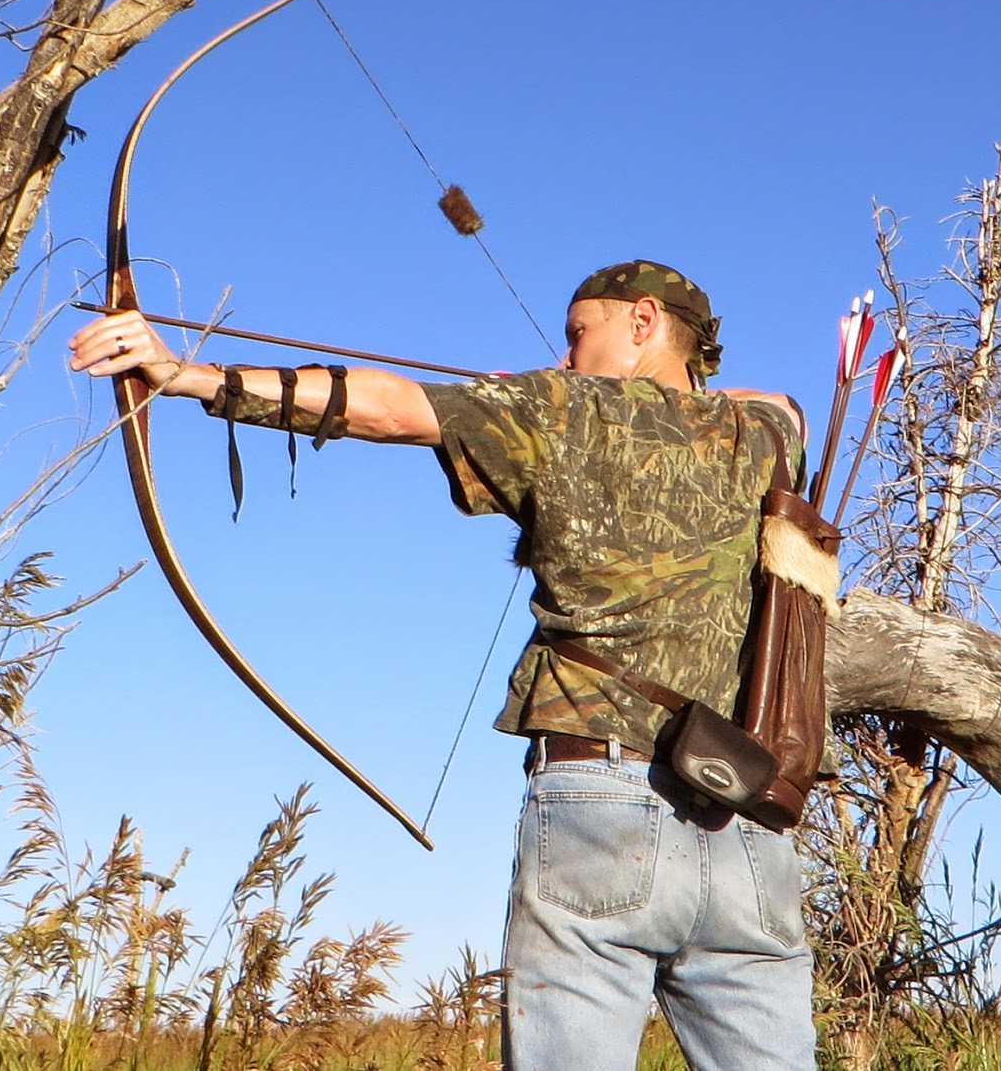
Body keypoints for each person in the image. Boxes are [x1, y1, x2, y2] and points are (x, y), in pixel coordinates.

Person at [69, 260, 816, 1070]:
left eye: (578, 333)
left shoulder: (555, 405)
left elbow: (387, 410)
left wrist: (188, 374)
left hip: (601, 801)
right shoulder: (767, 439)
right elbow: (783, 404)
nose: (565, 356)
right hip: (747, 818)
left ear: (642, 320)